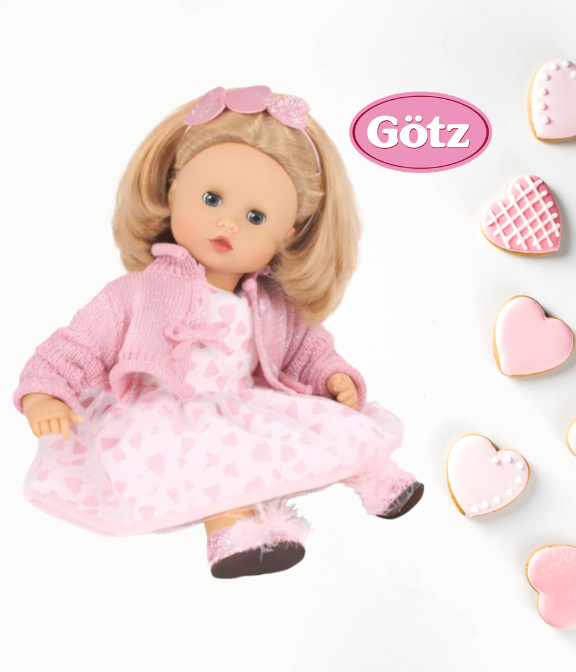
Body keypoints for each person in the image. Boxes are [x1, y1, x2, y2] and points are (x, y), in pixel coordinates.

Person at [14, 85, 424, 579]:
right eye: (211, 199)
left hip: (241, 403)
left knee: (330, 423)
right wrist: (44, 393)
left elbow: (309, 350)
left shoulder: (270, 304)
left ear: (289, 234)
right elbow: (79, 345)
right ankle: (235, 537)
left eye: (255, 217)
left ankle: (378, 481)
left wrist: (332, 375)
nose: (228, 222)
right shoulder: (138, 293)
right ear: (173, 190)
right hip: (167, 415)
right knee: (214, 462)